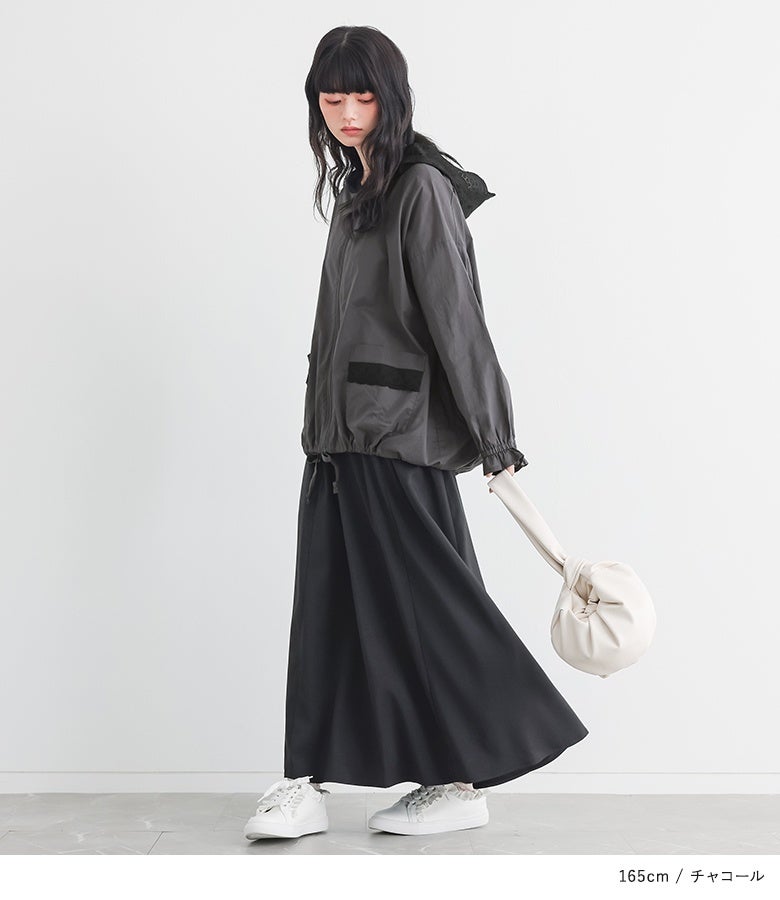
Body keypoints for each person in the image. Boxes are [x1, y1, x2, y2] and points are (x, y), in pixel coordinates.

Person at [244, 25, 589, 842]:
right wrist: (319, 425)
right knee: (329, 614)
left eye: (362, 96)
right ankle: (308, 779)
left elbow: (457, 320)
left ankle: (464, 779)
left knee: (433, 614)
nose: (347, 113)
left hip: (396, 439)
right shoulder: (357, 189)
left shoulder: (419, 189)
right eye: (332, 98)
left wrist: (495, 438)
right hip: (339, 440)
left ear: (391, 97)